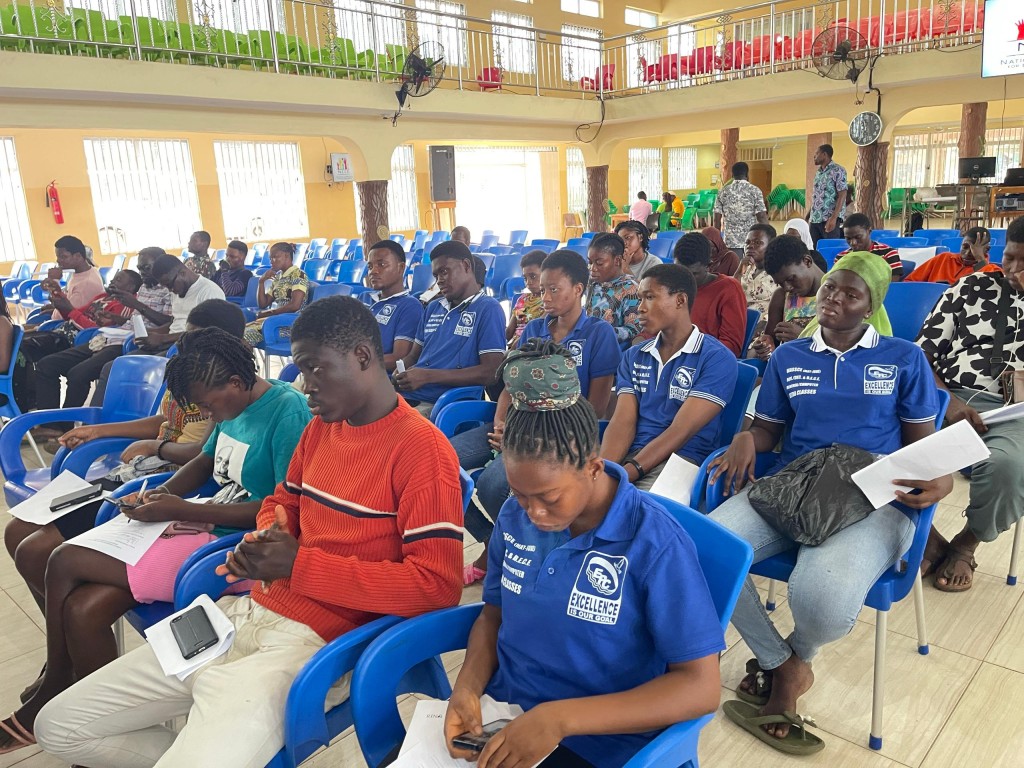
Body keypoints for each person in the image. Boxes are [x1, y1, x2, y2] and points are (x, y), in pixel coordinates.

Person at [35, 296, 464, 767]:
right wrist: (265, 541)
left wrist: (298, 565)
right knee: (59, 727)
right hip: (242, 614)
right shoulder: (323, 430)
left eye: (314, 368)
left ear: (362, 356)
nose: (306, 385)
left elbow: (437, 587)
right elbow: (282, 501)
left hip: (317, 643)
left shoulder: (422, 451)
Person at [1, 326, 311, 758]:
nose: (209, 414)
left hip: (233, 547)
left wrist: (183, 510)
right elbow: (205, 460)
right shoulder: (231, 404)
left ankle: (57, 679)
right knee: (84, 607)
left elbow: (282, 510)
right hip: (199, 523)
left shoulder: (286, 411)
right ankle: (98, 731)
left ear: (236, 382)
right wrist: (163, 494)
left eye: (208, 405)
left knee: (64, 560)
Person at [708, 252, 951, 752]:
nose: (834, 298)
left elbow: (922, 445)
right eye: (830, 288)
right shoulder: (789, 356)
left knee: (822, 599)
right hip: (796, 485)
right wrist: (746, 437)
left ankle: (797, 654)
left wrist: (942, 479)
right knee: (703, 553)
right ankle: (784, 666)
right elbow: (770, 430)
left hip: (873, 495)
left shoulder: (903, 357)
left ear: (871, 306)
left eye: (850, 293)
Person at [443, 344, 723, 768]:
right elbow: (493, 616)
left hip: (598, 742)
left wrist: (560, 720)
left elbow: (700, 687)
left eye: (549, 498)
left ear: (593, 467)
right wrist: (466, 688)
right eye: (520, 495)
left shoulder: (654, 543)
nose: (533, 514)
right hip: (506, 715)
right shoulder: (514, 518)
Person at [4, 299, 245, 645]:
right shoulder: (190, 371)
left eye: (199, 340)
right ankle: (66, 642)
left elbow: (200, 453)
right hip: (137, 476)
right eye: (188, 338)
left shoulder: (223, 392)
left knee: (35, 550)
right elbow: (165, 420)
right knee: (16, 532)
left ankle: (67, 649)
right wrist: (99, 431)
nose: (188, 347)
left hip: (166, 479)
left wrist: (155, 447)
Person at [453, 250, 620, 585]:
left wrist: (522, 439)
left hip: (556, 434)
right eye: (542, 289)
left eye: (553, 289)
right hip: (514, 423)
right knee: (439, 462)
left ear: (578, 289)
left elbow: (597, 407)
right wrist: (501, 423)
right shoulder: (533, 329)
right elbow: (509, 387)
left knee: (492, 485)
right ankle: (492, 539)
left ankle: (519, 549)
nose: (544, 297)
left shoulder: (598, 333)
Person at [917, 218, 1024, 593]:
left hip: (1015, 412)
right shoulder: (970, 288)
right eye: (1010, 258)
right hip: (947, 396)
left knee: (1009, 468)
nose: (1014, 271)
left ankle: (966, 543)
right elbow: (920, 357)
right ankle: (927, 539)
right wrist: (950, 402)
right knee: (881, 445)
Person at [602, 264, 738, 491]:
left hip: (682, 461)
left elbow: (680, 431)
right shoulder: (634, 356)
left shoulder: (716, 358)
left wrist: (627, 474)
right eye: (640, 299)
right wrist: (605, 471)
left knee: (634, 505)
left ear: (680, 300)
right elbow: (622, 422)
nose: (640, 308)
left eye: (649, 297)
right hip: (632, 454)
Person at [393, 241, 505, 415]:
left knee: (387, 427)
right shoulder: (433, 307)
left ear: (466, 266)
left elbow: (491, 372)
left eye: (444, 271)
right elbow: (414, 356)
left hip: (444, 403)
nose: (439, 280)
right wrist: (399, 372)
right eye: (436, 275)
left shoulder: (488, 308)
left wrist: (427, 376)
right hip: (408, 395)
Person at [30, 270, 144, 434]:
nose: (112, 281)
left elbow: (100, 325)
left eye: (118, 280)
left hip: (106, 339)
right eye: (114, 278)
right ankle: (50, 425)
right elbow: (75, 313)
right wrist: (61, 301)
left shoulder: (127, 304)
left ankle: (65, 426)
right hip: (98, 338)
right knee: (46, 364)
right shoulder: (102, 297)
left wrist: (71, 310)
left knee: (77, 374)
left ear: (131, 287)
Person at [753, 235, 826, 361]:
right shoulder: (781, 296)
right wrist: (766, 346)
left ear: (807, 261)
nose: (787, 287)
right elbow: (772, 341)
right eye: (780, 283)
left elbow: (844, 349)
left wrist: (802, 337)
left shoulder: (836, 296)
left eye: (791, 279)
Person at [673, 232, 747, 356]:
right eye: (680, 272)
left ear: (709, 265)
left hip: (706, 359)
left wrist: (689, 354)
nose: (685, 279)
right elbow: (654, 330)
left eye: (693, 274)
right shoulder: (672, 285)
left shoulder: (728, 289)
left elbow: (731, 346)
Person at [365, 240, 425, 371]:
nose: (373, 271)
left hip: (378, 376)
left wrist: (357, 364)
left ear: (401, 268)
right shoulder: (364, 298)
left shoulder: (410, 306)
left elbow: (399, 358)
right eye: (370, 266)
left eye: (381, 264)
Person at [243, 242, 309, 346]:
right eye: (270, 258)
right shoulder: (278, 277)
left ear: (286, 255)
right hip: (275, 321)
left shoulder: (298, 275)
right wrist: (261, 282)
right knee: (240, 331)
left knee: (247, 335)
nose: (271, 261)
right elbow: (263, 304)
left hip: (290, 324)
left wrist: (270, 313)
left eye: (275, 257)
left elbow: (295, 305)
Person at [585, 233, 642, 345]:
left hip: (613, 347)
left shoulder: (630, 288)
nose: (592, 268)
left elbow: (634, 330)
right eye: (590, 262)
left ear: (617, 260)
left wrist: (601, 332)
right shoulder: (593, 284)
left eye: (599, 263)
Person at [905, 226, 1002, 285]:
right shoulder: (943, 258)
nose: (967, 253)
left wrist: (980, 259)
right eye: (965, 247)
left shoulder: (994, 270)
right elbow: (910, 282)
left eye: (974, 251)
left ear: (986, 250)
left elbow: (991, 293)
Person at [39, 236, 104, 323]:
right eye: (58, 257)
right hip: (60, 320)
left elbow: (68, 315)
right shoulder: (82, 272)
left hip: (64, 325)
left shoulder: (86, 284)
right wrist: (53, 309)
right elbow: (68, 301)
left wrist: (54, 282)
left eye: (63, 257)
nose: (58, 260)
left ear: (78, 256)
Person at [713, 162, 769, 255]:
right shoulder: (755, 190)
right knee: (751, 264)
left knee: (734, 264)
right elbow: (762, 217)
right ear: (747, 174)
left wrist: (717, 241)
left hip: (731, 242)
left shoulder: (723, 192)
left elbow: (716, 219)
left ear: (732, 175)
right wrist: (769, 236)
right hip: (751, 242)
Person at [836, 212, 903, 280]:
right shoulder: (841, 257)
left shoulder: (888, 253)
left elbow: (893, 283)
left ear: (869, 232)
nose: (853, 243)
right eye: (848, 238)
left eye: (858, 237)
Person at [807, 144, 847, 246]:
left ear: (824, 154)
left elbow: (842, 194)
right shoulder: (818, 173)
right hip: (815, 219)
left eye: (817, 153)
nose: (814, 156)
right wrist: (807, 217)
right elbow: (817, 197)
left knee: (830, 248)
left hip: (829, 219)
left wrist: (834, 218)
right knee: (815, 249)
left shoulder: (838, 170)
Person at [735, 223, 778, 319]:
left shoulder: (777, 272)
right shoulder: (747, 269)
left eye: (757, 243)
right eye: (747, 242)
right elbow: (731, 293)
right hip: (739, 319)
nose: (750, 246)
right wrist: (739, 270)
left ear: (771, 246)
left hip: (764, 323)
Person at [506, 250, 546, 345]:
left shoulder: (548, 301)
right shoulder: (522, 300)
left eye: (533, 276)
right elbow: (509, 332)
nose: (528, 282)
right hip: (513, 347)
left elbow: (536, 332)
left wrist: (515, 348)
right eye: (525, 278)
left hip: (531, 347)